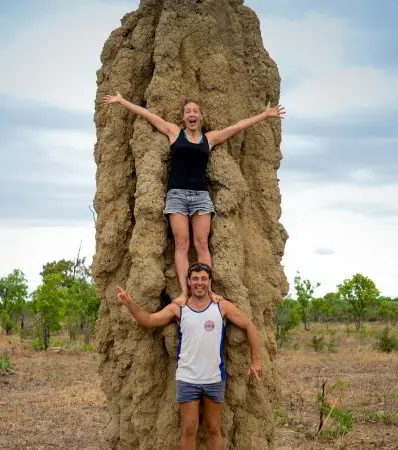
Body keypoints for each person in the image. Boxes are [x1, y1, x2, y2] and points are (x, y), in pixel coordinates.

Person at [104, 93, 285, 306]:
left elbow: (237, 127)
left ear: (201, 116)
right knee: (182, 244)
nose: (192, 114)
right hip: (177, 196)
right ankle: (183, 292)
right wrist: (122, 101)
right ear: (183, 117)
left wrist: (264, 115)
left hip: (200, 197)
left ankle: (207, 291)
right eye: (188, 111)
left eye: (195, 111)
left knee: (202, 244)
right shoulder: (174, 132)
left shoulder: (209, 139)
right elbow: (149, 116)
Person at [114, 262, 261, 450]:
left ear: (210, 282)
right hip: (187, 378)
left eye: (204, 279)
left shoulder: (221, 307)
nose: (200, 283)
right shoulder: (178, 308)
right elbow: (149, 320)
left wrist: (256, 360)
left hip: (214, 378)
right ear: (189, 282)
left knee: (214, 428)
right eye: (195, 279)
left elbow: (249, 325)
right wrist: (130, 304)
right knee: (189, 429)